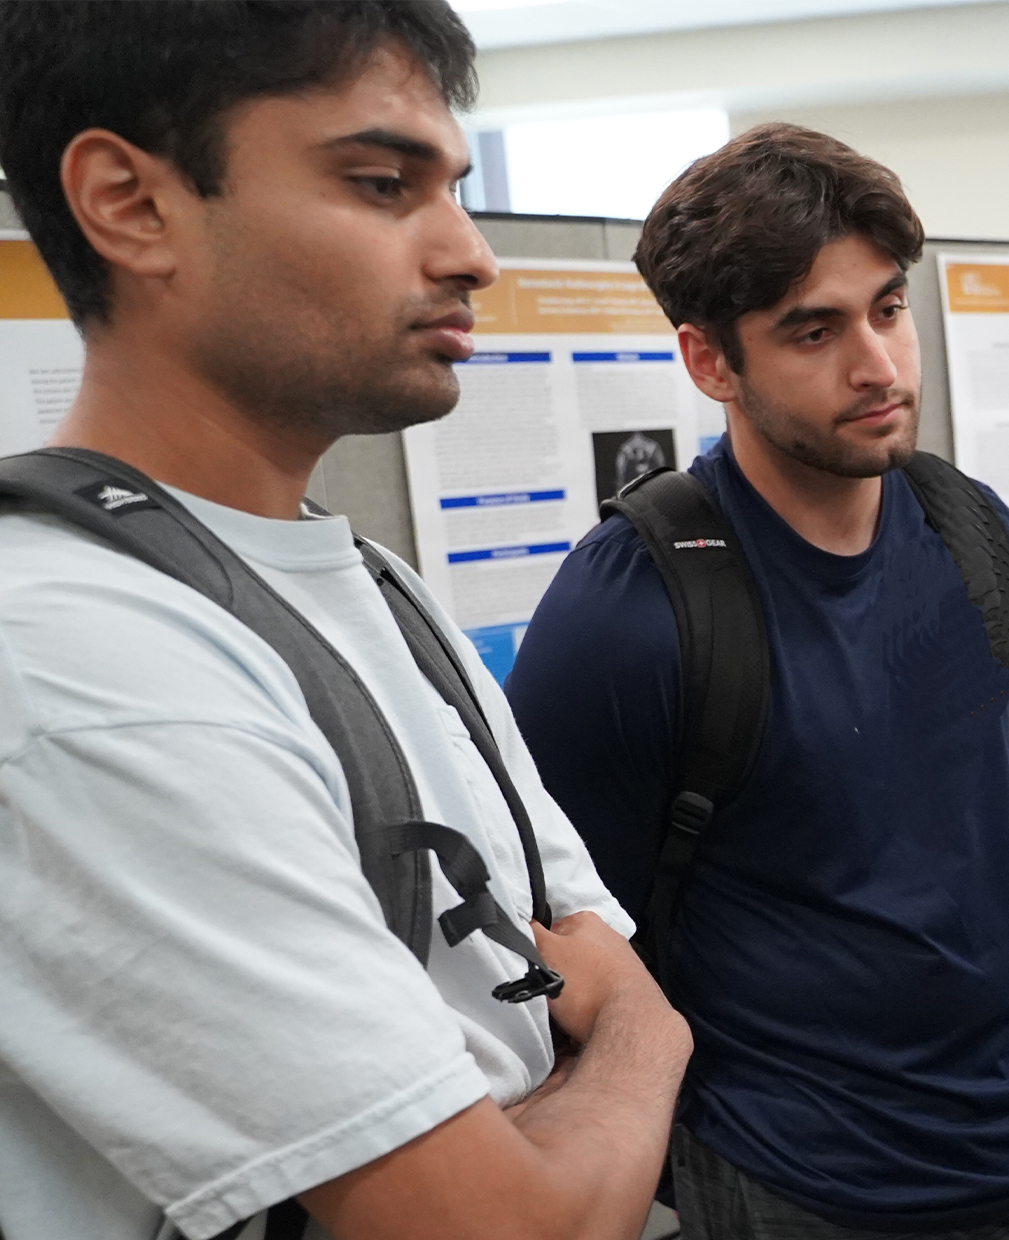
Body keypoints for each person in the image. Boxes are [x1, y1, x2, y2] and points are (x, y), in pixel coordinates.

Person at [0, 5, 692, 1240]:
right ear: (130, 203)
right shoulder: (80, 657)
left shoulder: (367, 581)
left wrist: (582, 1078)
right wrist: (651, 1040)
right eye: (382, 184)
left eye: (458, 190)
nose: (472, 255)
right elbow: (509, 1222)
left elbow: (567, 962)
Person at [503, 125, 1009, 1238]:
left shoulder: (977, 536)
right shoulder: (629, 613)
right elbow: (571, 940)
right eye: (814, 330)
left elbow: (988, 846)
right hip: (807, 1176)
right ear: (710, 361)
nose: (878, 364)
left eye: (888, 309)